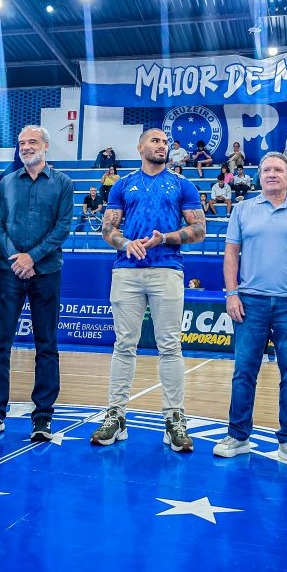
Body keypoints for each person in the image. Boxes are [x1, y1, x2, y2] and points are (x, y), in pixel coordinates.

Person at [90, 128, 205, 451]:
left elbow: (199, 229)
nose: (162, 146)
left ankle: (174, 418)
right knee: (124, 345)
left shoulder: (182, 184)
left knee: (170, 346)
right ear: (140, 147)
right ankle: (116, 415)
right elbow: (108, 228)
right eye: (155, 141)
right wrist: (126, 243)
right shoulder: (123, 184)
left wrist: (164, 238)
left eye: (165, 142)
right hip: (127, 271)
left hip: (167, 269)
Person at [213, 152, 287, 464]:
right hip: (250, 302)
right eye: (266, 170)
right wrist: (231, 293)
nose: (271, 174)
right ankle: (238, 436)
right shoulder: (242, 209)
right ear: (259, 176)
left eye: (278, 169)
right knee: (244, 372)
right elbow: (231, 254)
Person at [0, 126, 74, 442]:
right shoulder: (5, 183)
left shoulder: (63, 183)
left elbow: (62, 228)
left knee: (46, 345)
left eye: (32, 142)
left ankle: (43, 416)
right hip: (8, 271)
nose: (26, 147)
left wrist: (32, 258)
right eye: (21, 143)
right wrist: (16, 258)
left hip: (47, 272)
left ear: (46, 146)